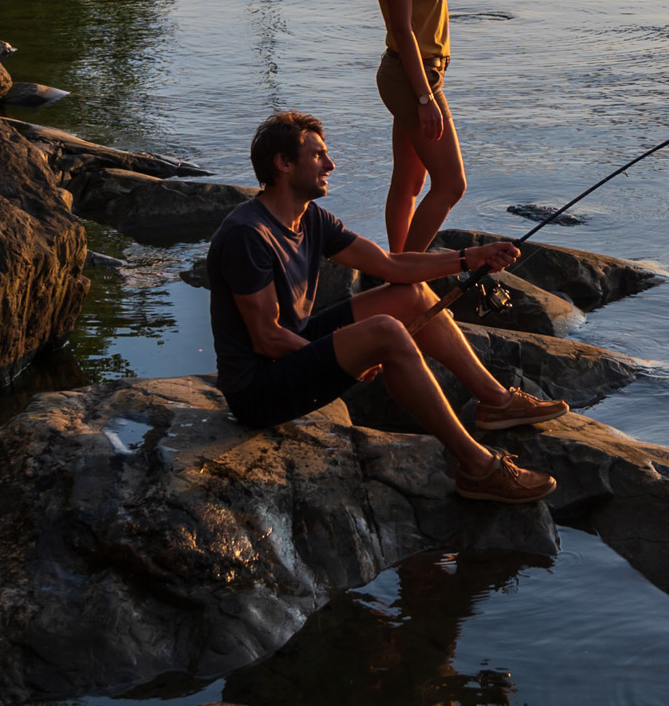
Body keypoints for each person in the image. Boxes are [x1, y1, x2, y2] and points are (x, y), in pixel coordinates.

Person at [205, 109, 567, 504]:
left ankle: (497, 402)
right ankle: (479, 468)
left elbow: (392, 266)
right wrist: (345, 357)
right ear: (284, 164)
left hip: (293, 349)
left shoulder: (311, 219)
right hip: (258, 390)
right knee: (386, 333)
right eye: (318, 155)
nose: (330, 164)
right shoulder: (248, 234)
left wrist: (470, 257)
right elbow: (266, 338)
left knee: (409, 296)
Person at [361, 0, 566, 250]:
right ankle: (406, 272)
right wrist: (424, 98)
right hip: (413, 77)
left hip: (412, 73)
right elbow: (402, 29)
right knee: (451, 185)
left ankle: (396, 263)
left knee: (409, 182)